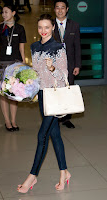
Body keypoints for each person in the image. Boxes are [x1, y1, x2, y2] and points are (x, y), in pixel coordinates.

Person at [17, 14, 71, 193]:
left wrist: (53, 68)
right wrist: (26, 81)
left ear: (53, 27)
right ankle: (64, 172)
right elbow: (36, 73)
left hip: (54, 96)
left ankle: (32, 176)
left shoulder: (58, 47)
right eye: (40, 27)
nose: (43, 31)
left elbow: (64, 76)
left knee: (42, 136)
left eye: (47, 27)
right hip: (42, 96)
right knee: (55, 135)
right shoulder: (34, 47)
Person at [0, 4, 27, 132]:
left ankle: (13, 120)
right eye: (2, 12)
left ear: (13, 13)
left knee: (14, 92)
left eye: (6, 12)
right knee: (3, 93)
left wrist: (24, 66)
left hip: (16, 64)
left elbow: (22, 48)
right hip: (1, 63)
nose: (3, 14)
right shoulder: (0, 28)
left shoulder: (20, 29)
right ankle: (7, 121)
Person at [54, 0, 81, 129]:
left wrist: (77, 65)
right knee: (55, 91)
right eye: (57, 8)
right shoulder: (49, 25)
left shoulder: (74, 25)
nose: (60, 10)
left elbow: (77, 47)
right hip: (53, 65)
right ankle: (55, 118)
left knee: (68, 90)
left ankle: (66, 119)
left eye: (62, 8)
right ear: (54, 9)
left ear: (67, 9)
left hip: (69, 64)